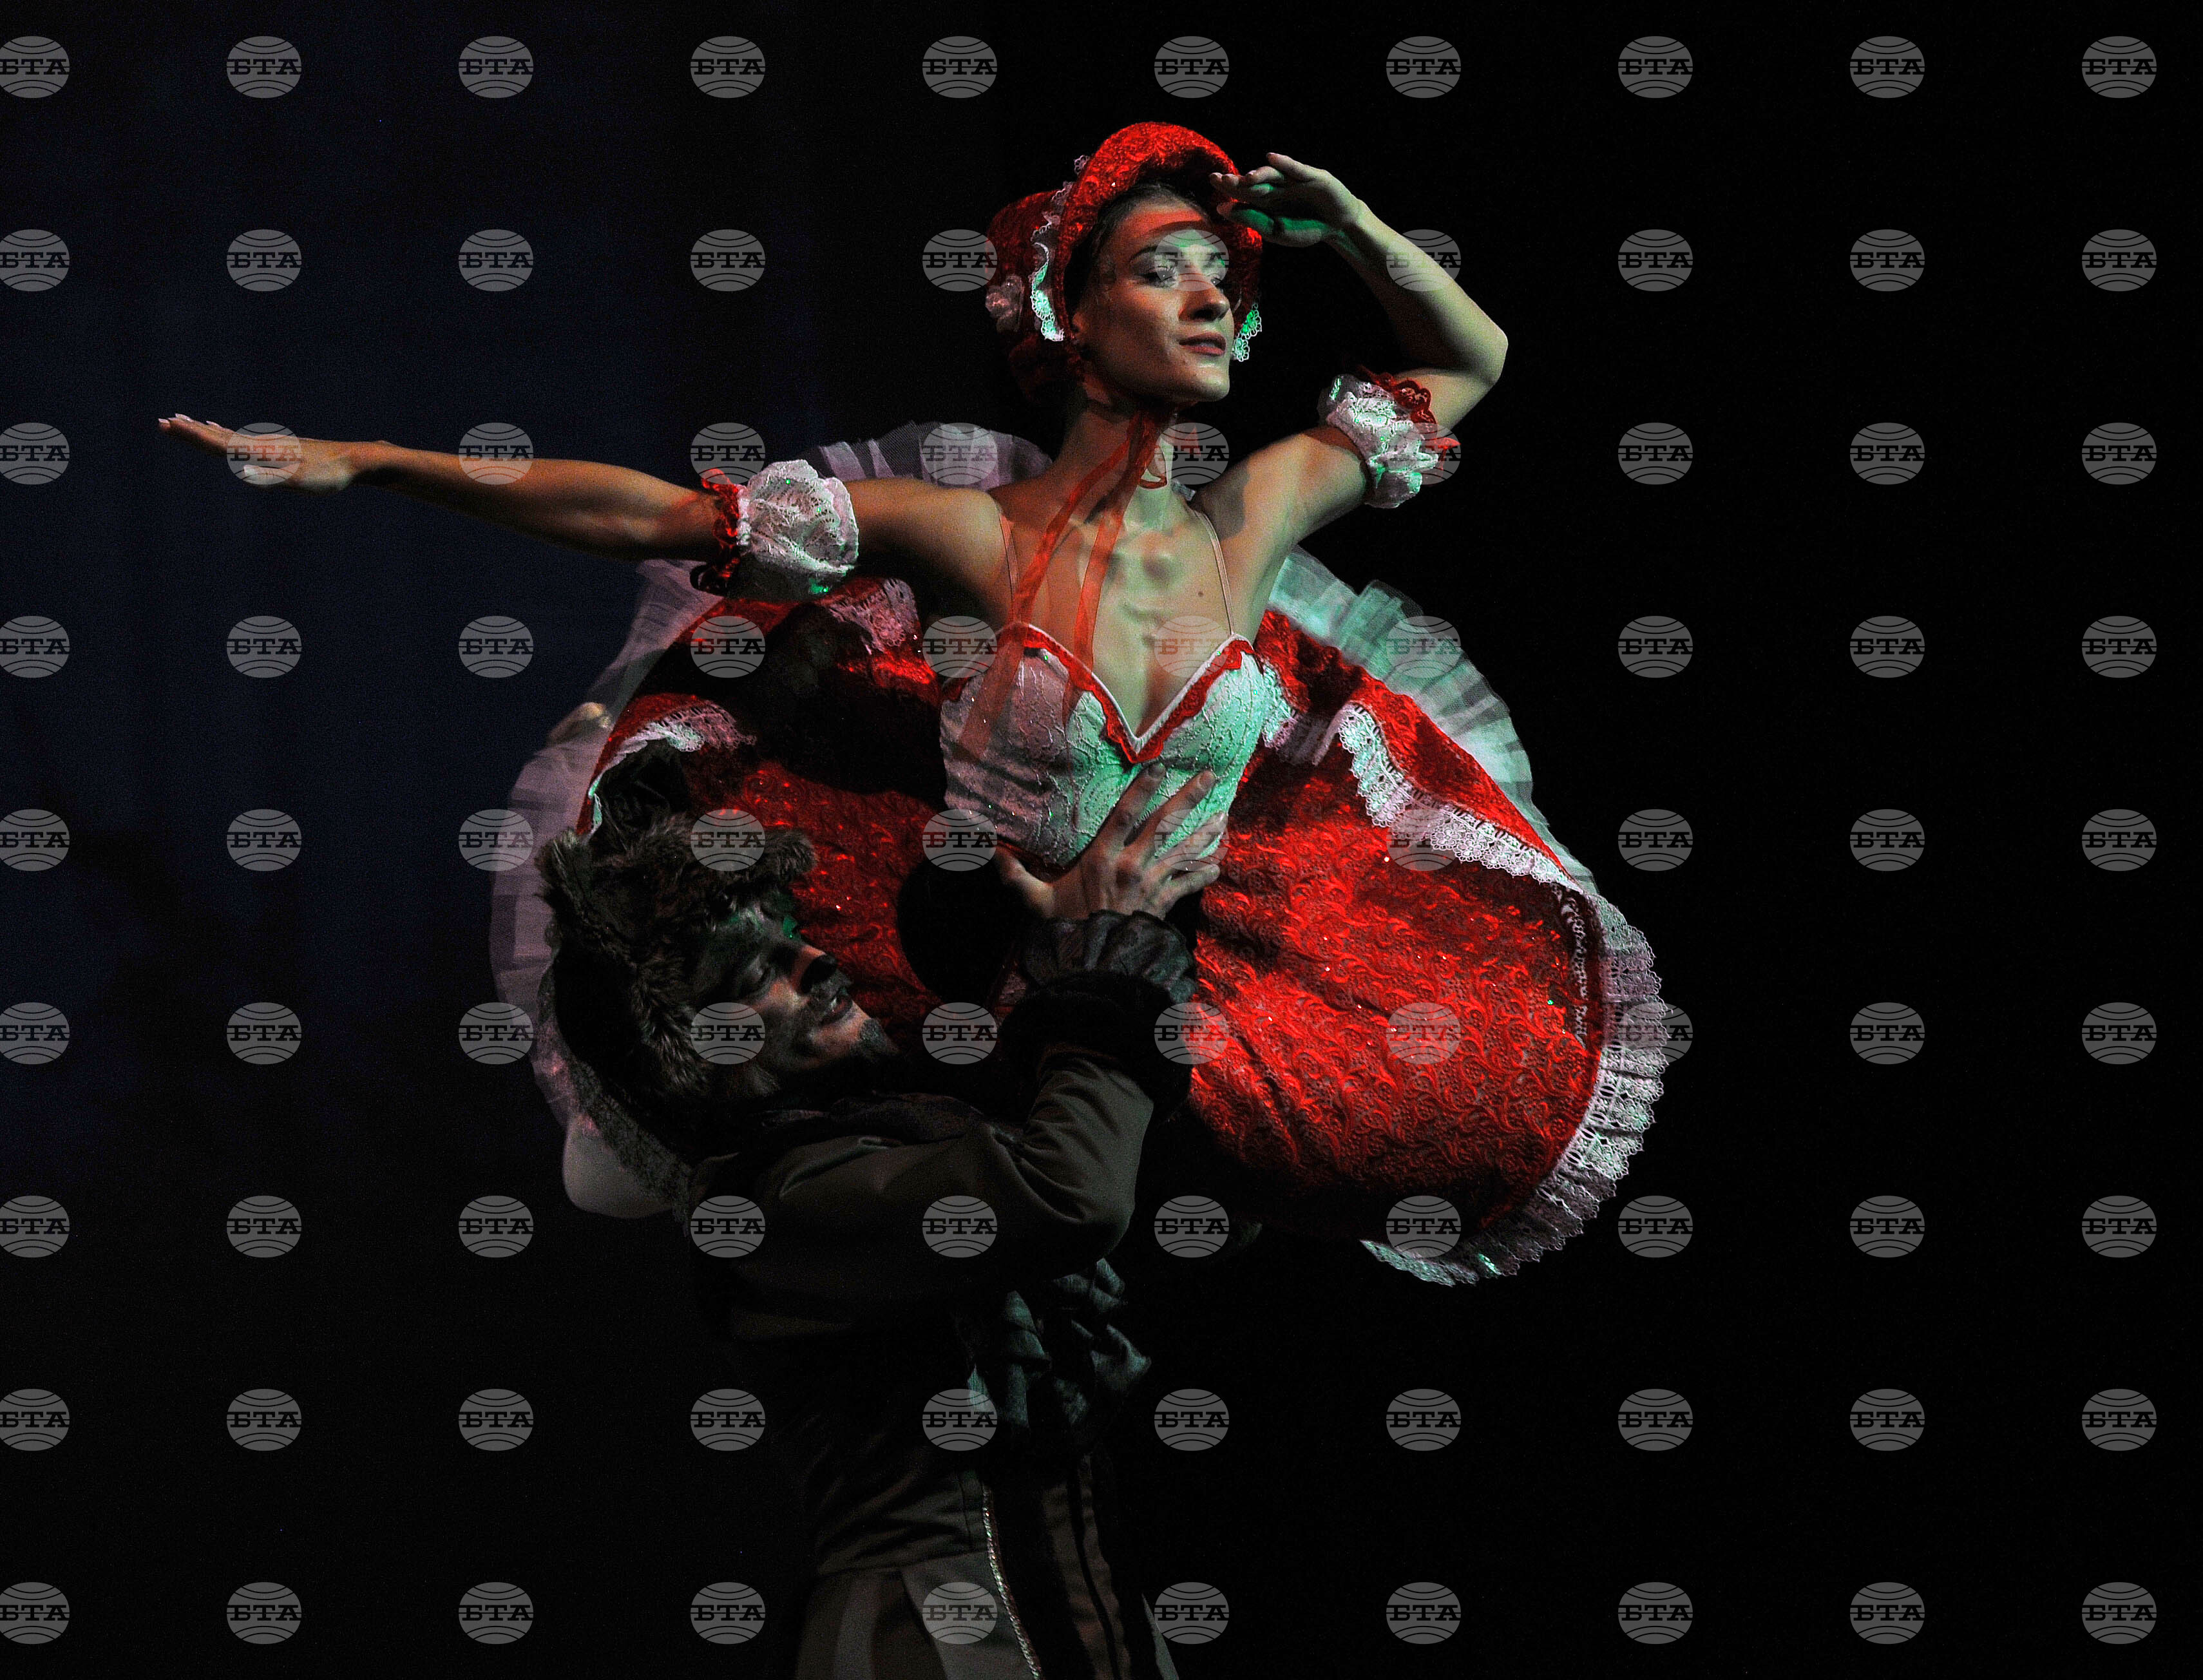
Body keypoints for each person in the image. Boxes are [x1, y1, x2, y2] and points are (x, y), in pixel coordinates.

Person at [158, 120, 1675, 1286]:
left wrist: (1346, 223)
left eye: (1225, 272)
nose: (1210, 293)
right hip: (975, 956)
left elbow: (1470, 357)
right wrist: (376, 463)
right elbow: (660, 519)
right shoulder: (973, 537)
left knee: (1407, 1115)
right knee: (690, 1160)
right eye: (1162, 267)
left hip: (1172, 976)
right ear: (1067, 315)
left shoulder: (1250, 520)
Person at [535, 734, 1233, 1677]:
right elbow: (1071, 1192)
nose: (816, 961)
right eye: (757, 976)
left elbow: (1163, 1201)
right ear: (688, 1060)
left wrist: (1063, 948)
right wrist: (1104, 965)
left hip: (1091, 1628)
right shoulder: (770, 1204)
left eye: (793, 932)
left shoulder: (895, 1137)